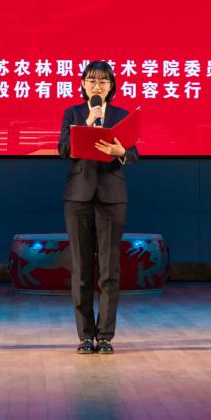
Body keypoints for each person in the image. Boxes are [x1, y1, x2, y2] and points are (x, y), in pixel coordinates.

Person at [58, 60, 139, 354]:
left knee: (108, 269)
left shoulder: (121, 116)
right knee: (81, 270)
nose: (97, 86)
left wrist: (121, 152)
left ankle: (105, 335)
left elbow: (134, 155)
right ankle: (85, 335)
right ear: (82, 84)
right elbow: (63, 150)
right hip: (78, 197)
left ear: (112, 86)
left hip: (111, 198)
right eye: (92, 80)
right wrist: (88, 123)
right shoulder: (73, 113)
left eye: (103, 81)